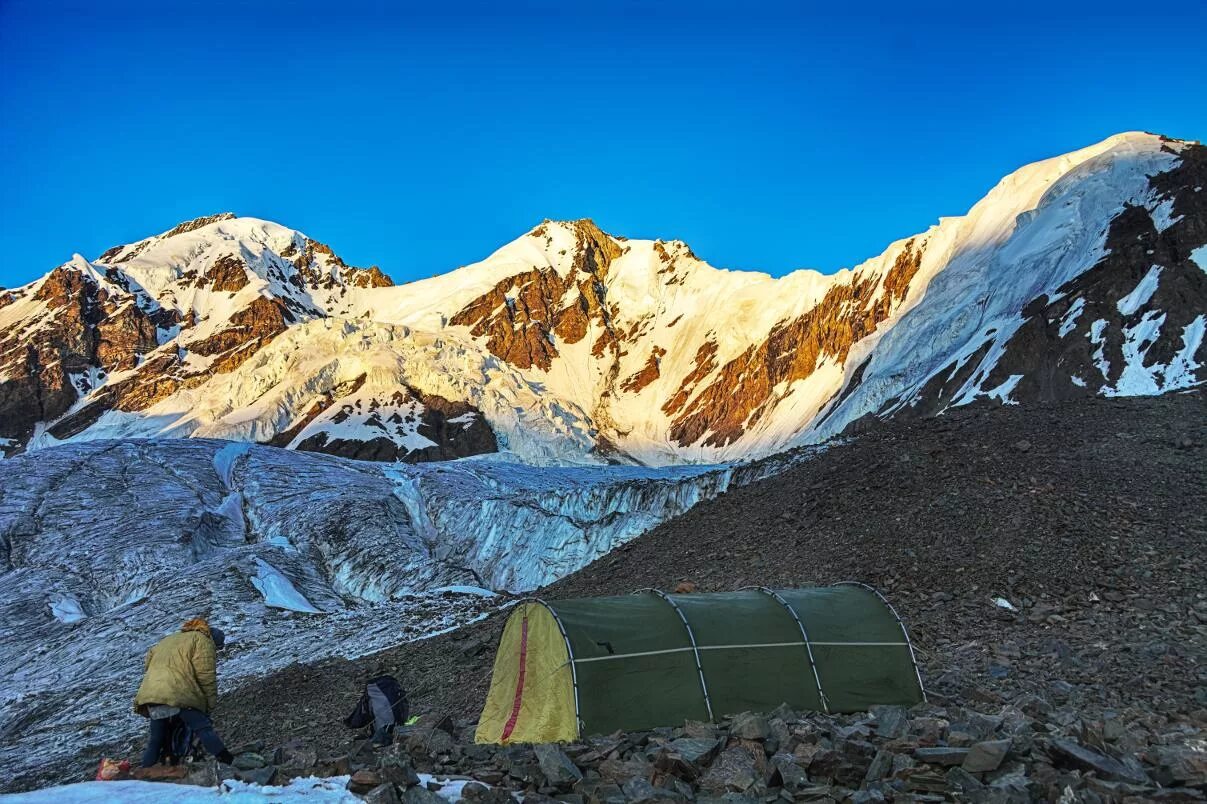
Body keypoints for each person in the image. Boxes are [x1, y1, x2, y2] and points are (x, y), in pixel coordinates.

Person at [133, 618, 233, 767]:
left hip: (152, 693)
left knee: (156, 739)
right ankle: (229, 762)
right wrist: (208, 707)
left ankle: (143, 772)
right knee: (203, 728)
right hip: (178, 692)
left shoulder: (169, 639)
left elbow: (148, 663)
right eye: (217, 647)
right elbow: (205, 676)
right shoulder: (203, 641)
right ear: (213, 639)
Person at [344, 673, 409, 746]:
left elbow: (361, 713)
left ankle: (383, 735)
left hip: (384, 731)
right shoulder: (391, 685)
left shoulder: (372, 689)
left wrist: (349, 722)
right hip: (398, 726)